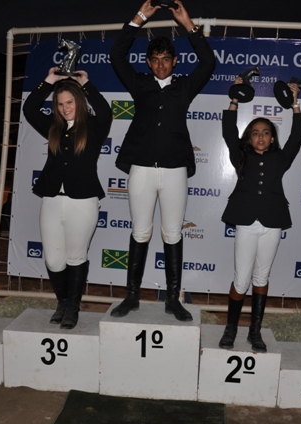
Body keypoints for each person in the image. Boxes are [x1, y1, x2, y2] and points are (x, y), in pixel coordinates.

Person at [109, 0, 215, 321]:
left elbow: (208, 62)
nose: (160, 65)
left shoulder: (184, 87)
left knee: (172, 234)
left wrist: (188, 24)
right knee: (140, 232)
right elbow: (116, 56)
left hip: (174, 172)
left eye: (165, 59)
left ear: (174, 61)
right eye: (154, 59)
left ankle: (172, 299)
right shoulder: (139, 84)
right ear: (148, 62)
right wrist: (139, 18)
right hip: (141, 169)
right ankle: (132, 297)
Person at [218, 78, 301, 352]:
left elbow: (297, 137)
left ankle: (254, 332)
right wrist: (234, 98)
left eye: (266, 132)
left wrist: (295, 104)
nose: (260, 137)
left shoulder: (281, 159)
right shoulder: (239, 156)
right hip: (246, 222)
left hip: (272, 223)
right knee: (241, 278)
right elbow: (228, 132)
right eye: (255, 132)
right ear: (249, 137)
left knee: (262, 277)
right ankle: (231, 329)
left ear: (272, 138)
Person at [22, 67, 112, 329]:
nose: (65, 108)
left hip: (82, 201)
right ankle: (62, 302)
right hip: (51, 199)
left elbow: (106, 112)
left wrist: (86, 84)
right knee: (53, 260)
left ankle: (72, 307)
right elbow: (29, 109)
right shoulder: (53, 127)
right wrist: (49, 80)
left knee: (75, 256)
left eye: (70, 102)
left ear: (79, 101)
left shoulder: (94, 126)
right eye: (60, 104)